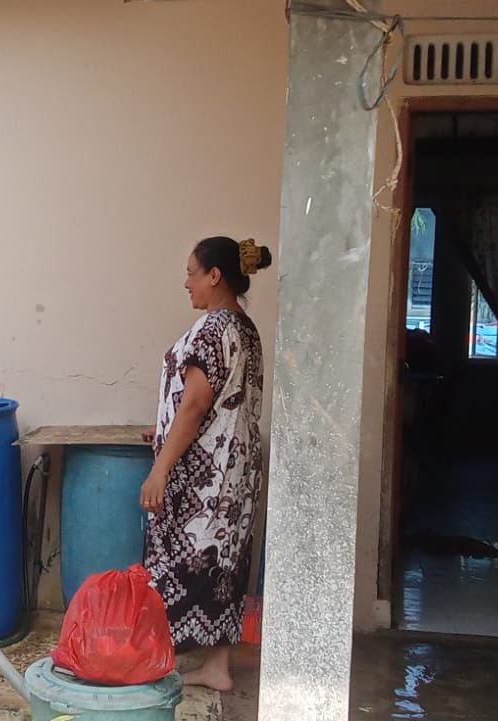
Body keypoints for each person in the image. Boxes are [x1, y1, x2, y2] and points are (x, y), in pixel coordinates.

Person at [139, 236, 271, 692]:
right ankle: (217, 666)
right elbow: (220, 403)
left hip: (202, 480)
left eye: (191, 273)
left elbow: (196, 405)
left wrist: (160, 468)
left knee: (184, 564)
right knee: (223, 564)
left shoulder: (214, 330)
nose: (186, 283)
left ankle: (159, 661)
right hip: (234, 475)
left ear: (215, 276)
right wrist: (164, 426)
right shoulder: (244, 328)